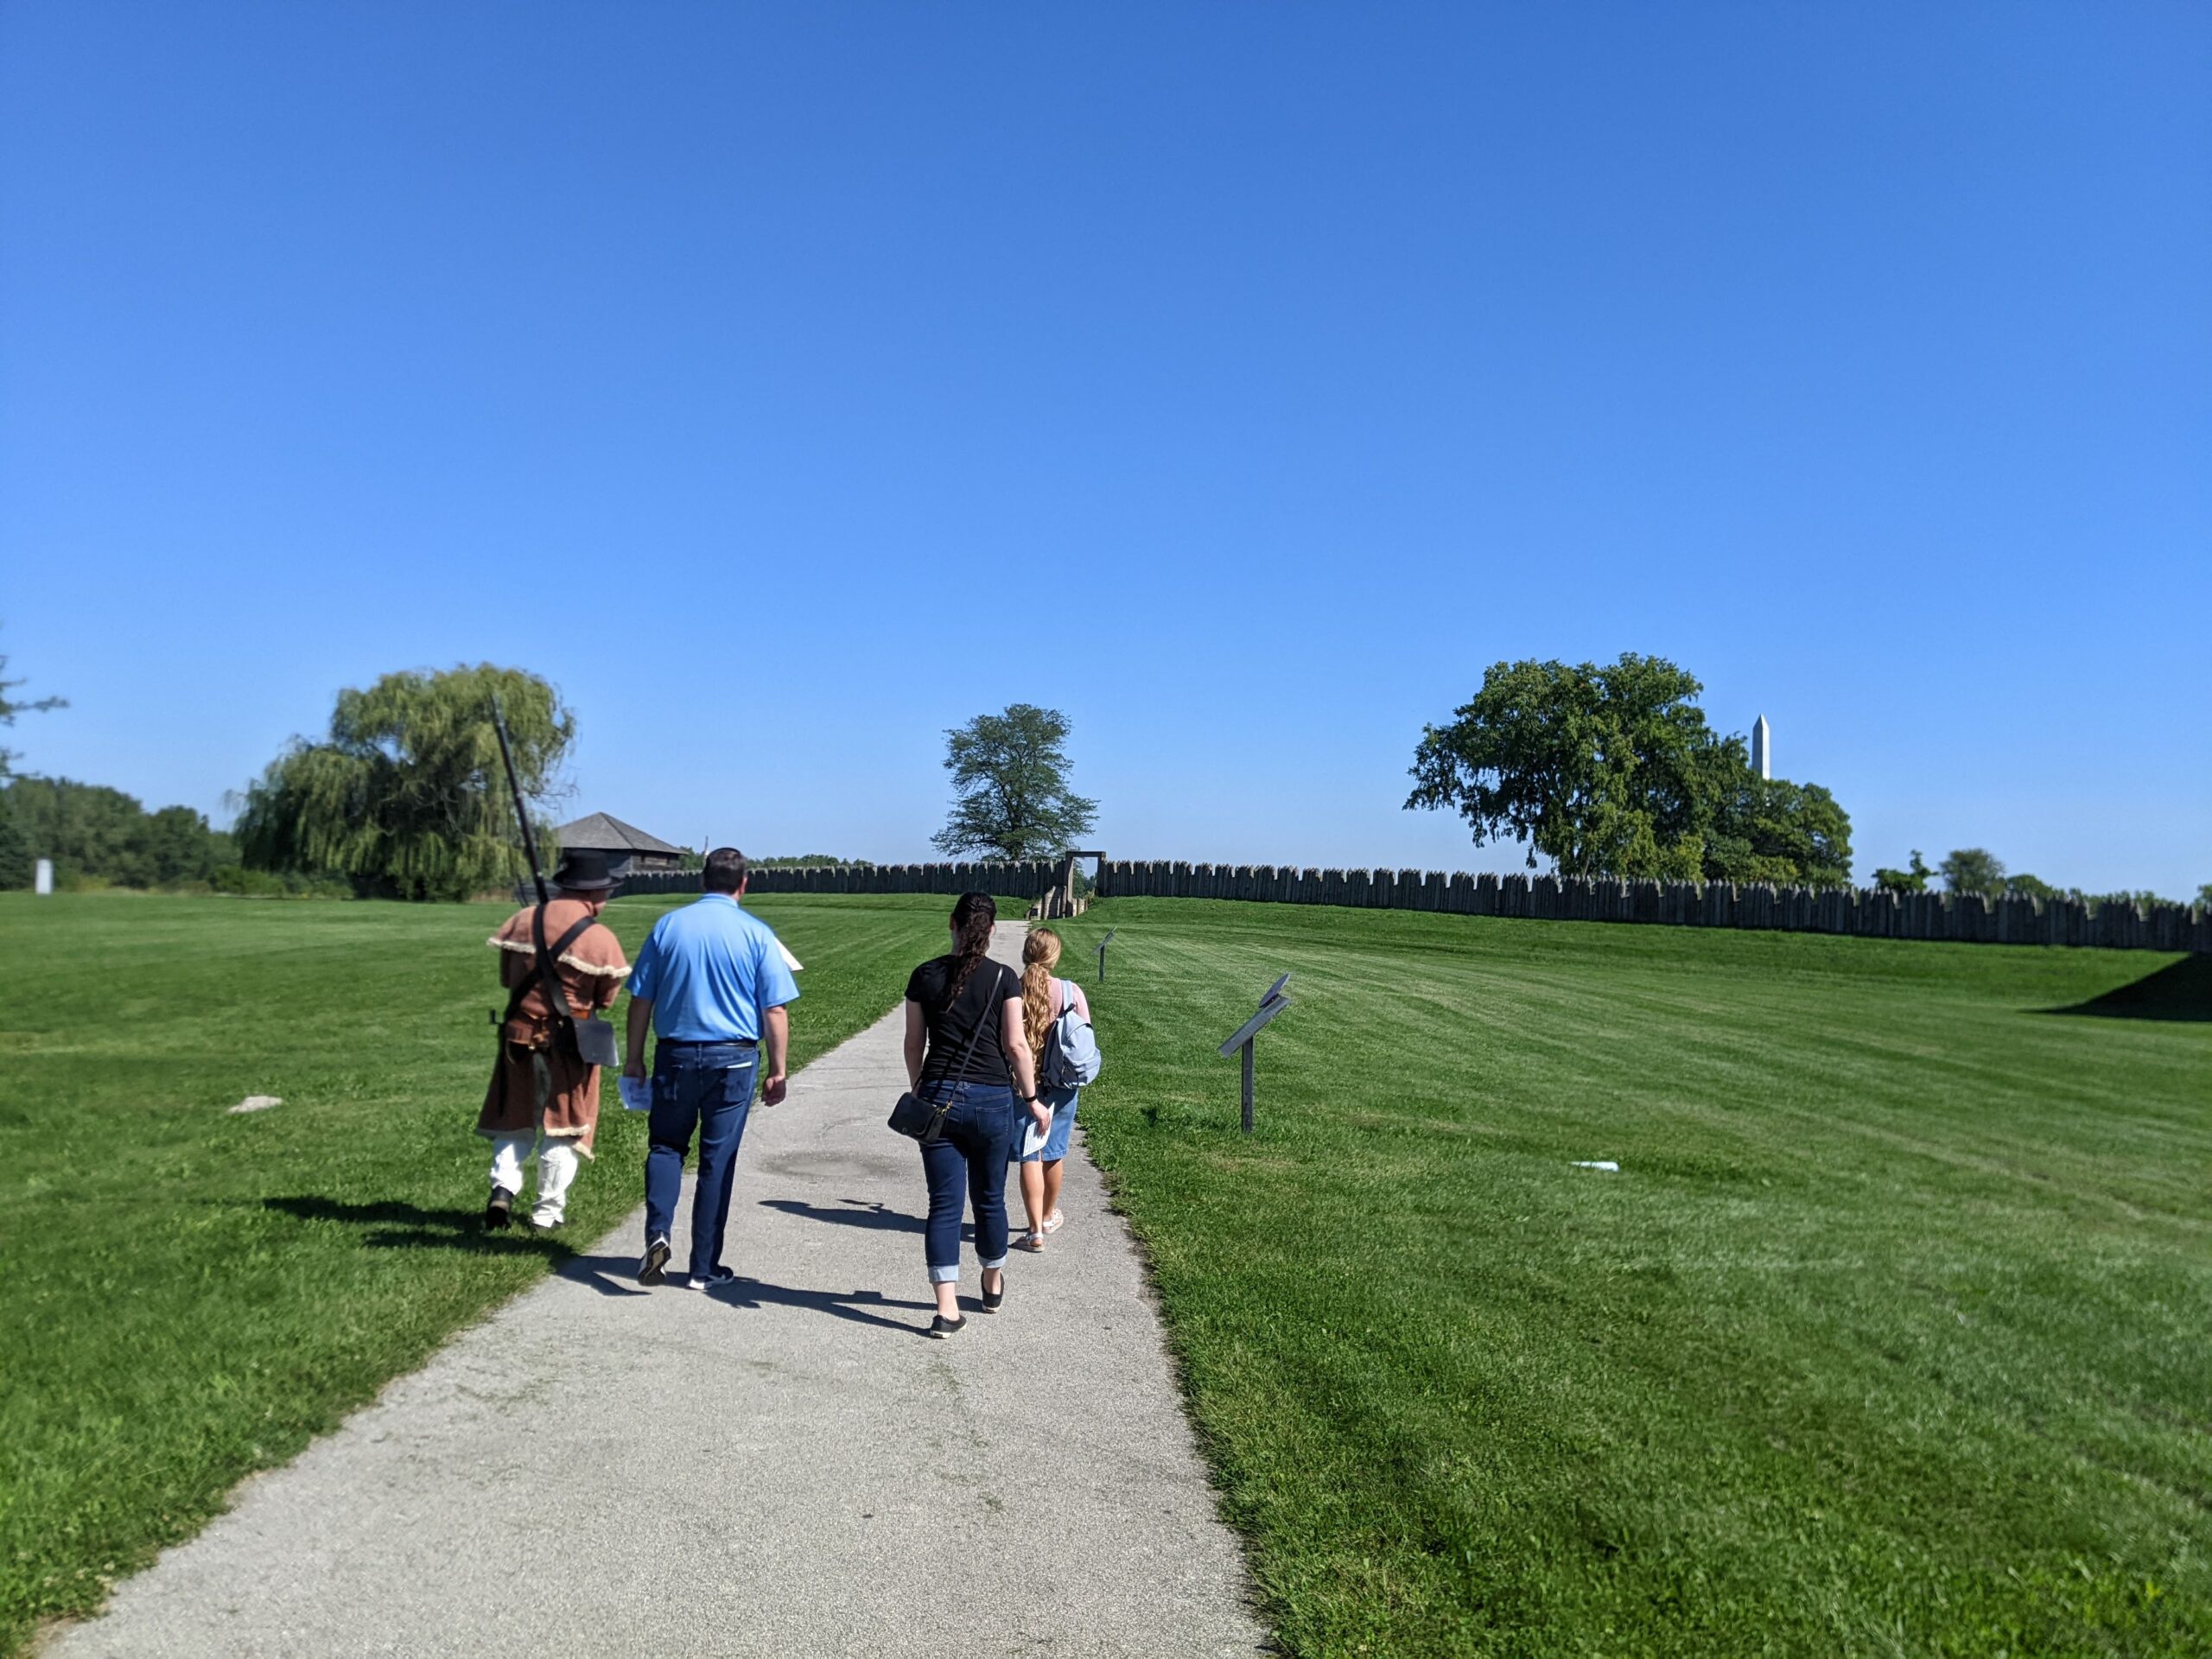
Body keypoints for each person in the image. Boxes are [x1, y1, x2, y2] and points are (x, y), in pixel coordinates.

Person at [622, 847, 798, 1288]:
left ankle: (658, 1231)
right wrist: (778, 1068)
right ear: (743, 884)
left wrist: (634, 1057)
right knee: (717, 1160)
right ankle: (704, 1266)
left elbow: (641, 998)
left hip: (676, 1053)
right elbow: (774, 1009)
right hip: (734, 1057)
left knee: (666, 1146)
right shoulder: (757, 934)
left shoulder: (669, 926)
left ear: (702, 880)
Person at [903, 892, 1046, 1337]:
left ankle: (946, 1309)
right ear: (992, 931)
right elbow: (1016, 1045)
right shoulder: (1004, 978)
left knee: (943, 1204)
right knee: (989, 1199)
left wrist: (918, 1088)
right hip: (990, 1100)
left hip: (938, 1097)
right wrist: (1032, 1097)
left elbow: (914, 1044)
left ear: (952, 923)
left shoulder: (924, 976)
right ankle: (991, 1281)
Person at [477, 849, 631, 1231]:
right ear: (595, 894)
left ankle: (503, 1189)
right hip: (569, 1043)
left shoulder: (523, 920)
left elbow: (507, 979)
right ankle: (547, 1212)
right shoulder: (598, 938)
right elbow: (605, 999)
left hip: (517, 1036)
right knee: (564, 1126)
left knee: (515, 1118)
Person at [1013, 926, 1090, 1251]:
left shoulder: (1014, 990)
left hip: (1024, 1084)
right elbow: (1084, 1036)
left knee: (1029, 1153)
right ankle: (1047, 1216)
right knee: (1054, 1152)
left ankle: (1034, 1232)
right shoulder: (1071, 992)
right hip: (1061, 1084)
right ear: (1054, 958)